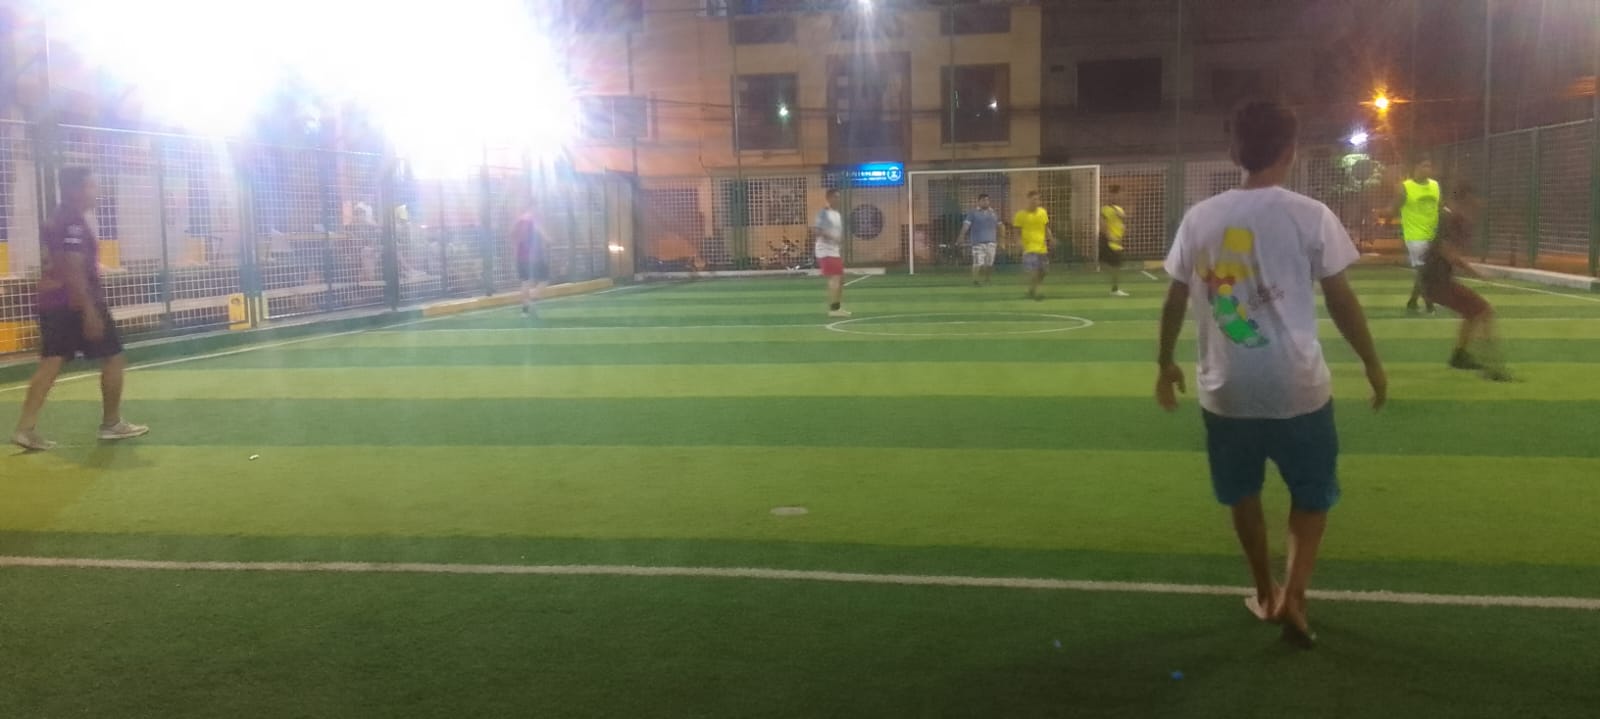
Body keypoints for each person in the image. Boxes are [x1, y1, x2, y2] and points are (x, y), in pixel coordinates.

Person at [1156, 100, 1386, 648]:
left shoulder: (1200, 218)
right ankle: (1296, 594)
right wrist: (1372, 363)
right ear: (1290, 151)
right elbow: (1341, 300)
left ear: (1233, 150)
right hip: (1298, 387)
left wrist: (1164, 364)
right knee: (1312, 494)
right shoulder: (1310, 214)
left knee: (1243, 494)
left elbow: (1175, 297)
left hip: (1227, 391)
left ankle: (1265, 591)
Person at [12, 167, 149, 451]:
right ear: (76, 190)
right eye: (91, 186)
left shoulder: (58, 219)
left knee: (51, 362)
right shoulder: (72, 223)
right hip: (75, 301)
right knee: (113, 357)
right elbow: (72, 267)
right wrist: (88, 310)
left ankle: (25, 428)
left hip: (53, 302)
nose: (96, 192)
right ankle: (111, 423)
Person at [1421, 184, 1510, 381]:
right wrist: (1477, 274)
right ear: (1465, 200)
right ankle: (1493, 367)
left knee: (1472, 313)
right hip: (1437, 282)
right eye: (1473, 200)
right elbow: (1449, 253)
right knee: (1485, 311)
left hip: (1435, 281)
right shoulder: (1451, 220)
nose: (1478, 205)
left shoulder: (1452, 220)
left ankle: (1460, 355)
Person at [1393, 158, 1440, 315]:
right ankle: (1430, 305)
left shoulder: (1435, 185)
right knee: (1424, 271)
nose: (1428, 169)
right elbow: (1395, 207)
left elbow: (1438, 206)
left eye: (1429, 166)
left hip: (1432, 235)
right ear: (1415, 167)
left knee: (1424, 271)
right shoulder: (1405, 187)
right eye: (1424, 165)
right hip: (1415, 235)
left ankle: (1412, 302)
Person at [1012, 191, 1055, 300]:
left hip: (1042, 248)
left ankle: (1032, 290)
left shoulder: (1043, 213)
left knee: (1044, 272)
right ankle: (1035, 293)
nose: (1036, 202)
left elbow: (1046, 228)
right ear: (1028, 200)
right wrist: (1018, 242)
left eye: (1037, 199)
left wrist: (1051, 239)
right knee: (1034, 271)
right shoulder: (1020, 215)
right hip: (1029, 248)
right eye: (1033, 199)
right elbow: (1016, 231)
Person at [815, 188, 849, 318]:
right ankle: (834, 309)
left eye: (838, 197)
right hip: (825, 250)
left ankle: (836, 307)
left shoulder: (837, 214)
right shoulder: (824, 213)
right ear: (829, 198)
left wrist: (839, 241)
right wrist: (833, 238)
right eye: (835, 197)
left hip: (834, 250)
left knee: (841, 279)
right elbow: (818, 231)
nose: (838, 199)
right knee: (835, 277)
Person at [513, 200, 549, 316]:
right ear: (533, 207)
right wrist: (548, 240)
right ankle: (533, 300)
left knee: (525, 282)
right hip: (534, 257)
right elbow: (544, 235)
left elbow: (513, 236)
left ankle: (525, 310)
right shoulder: (534, 220)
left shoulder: (519, 220)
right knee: (544, 279)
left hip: (520, 257)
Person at [957, 193, 1002, 286]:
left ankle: (987, 280)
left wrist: (1002, 238)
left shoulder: (993, 213)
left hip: (991, 242)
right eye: (983, 200)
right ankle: (975, 281)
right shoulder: (973, 213)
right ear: (979, 202)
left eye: (987, 200)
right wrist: (961, 236)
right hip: (978, 242)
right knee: (977, 262)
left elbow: (1000, 225)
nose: (986, 202)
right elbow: (966, 225)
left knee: (989, 263)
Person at [1100, 190, 1130, 297]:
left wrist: (1123, 232)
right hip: (1110, 241)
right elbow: (1103, 225)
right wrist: (1110, 237)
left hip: (1117, 241)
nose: (1116, 198)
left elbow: (1123, 222)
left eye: (1117, 195)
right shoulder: (1104, 209)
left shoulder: (1119, 209)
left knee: (1115, 266)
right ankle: (1114, 289)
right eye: (1113, 196)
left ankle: (1114, 288)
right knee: (1115, 266)